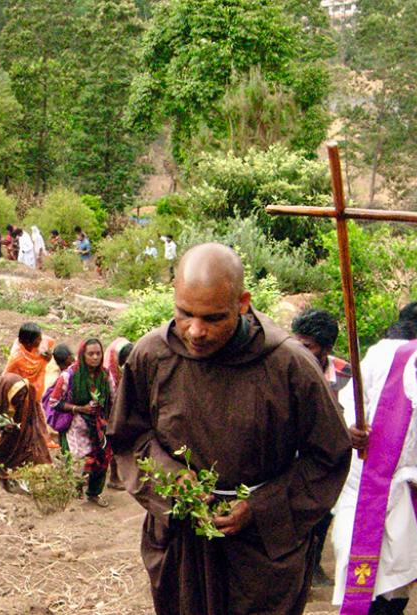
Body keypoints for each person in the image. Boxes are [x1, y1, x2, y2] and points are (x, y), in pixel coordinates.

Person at [108, 242, 352, 615]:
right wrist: (172, 480)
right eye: (184, 313)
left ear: (242, 302)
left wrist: (259, 507)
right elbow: (130, 437)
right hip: (182, 543)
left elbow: (328, 457)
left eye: (213, 318)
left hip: (261, 552)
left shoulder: (289, 365)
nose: (195, 331)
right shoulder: (151, 355)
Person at [332, 337, 417, 614]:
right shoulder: (384, 358)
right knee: (353, 559)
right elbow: (348, 400)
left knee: (399, 575)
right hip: (365, 482)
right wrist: (351, 428)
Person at [291, 308, 352, 587]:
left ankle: (312, 566)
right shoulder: (286, 366)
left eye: (308, 346)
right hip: (293, 456)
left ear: (326, 348)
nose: (299, 350)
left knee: (323, 513)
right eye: (297, 342)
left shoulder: (347, 376)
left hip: (326, 459)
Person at [47, 339, 113, 507]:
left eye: (98, 353)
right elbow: (54, 402)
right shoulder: (69, 375)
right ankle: (75, 491)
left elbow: (114, 398)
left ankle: (94, 493)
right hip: (76, 427)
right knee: (78, 461)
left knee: (101, 458)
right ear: (82, 355)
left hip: (98, 425)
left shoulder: (105, 375)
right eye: (91, 354)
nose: (95, 357)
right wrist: (79, 409)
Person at [0, 374, 52, 490]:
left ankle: (36, 484)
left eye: (23, 395)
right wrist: (1, 426)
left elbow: (34, 412)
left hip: (25, 431)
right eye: (18, 396)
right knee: (6, 463)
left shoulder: (28, 393)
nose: (22, 399)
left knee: (35, 455)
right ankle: (9, 484)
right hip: (4, 438)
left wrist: (36, 432)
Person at [291, 308, 352, 400]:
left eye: (306, 346)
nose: (298, 351)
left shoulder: (349, 377)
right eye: (295, 344)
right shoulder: (286, 373)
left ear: (327, 349)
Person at [103, 337, 133, 490]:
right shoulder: (109, 374)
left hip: (123, 410)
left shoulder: (129, 366)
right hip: (109, 412)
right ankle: (114, 476)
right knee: (113, 441)